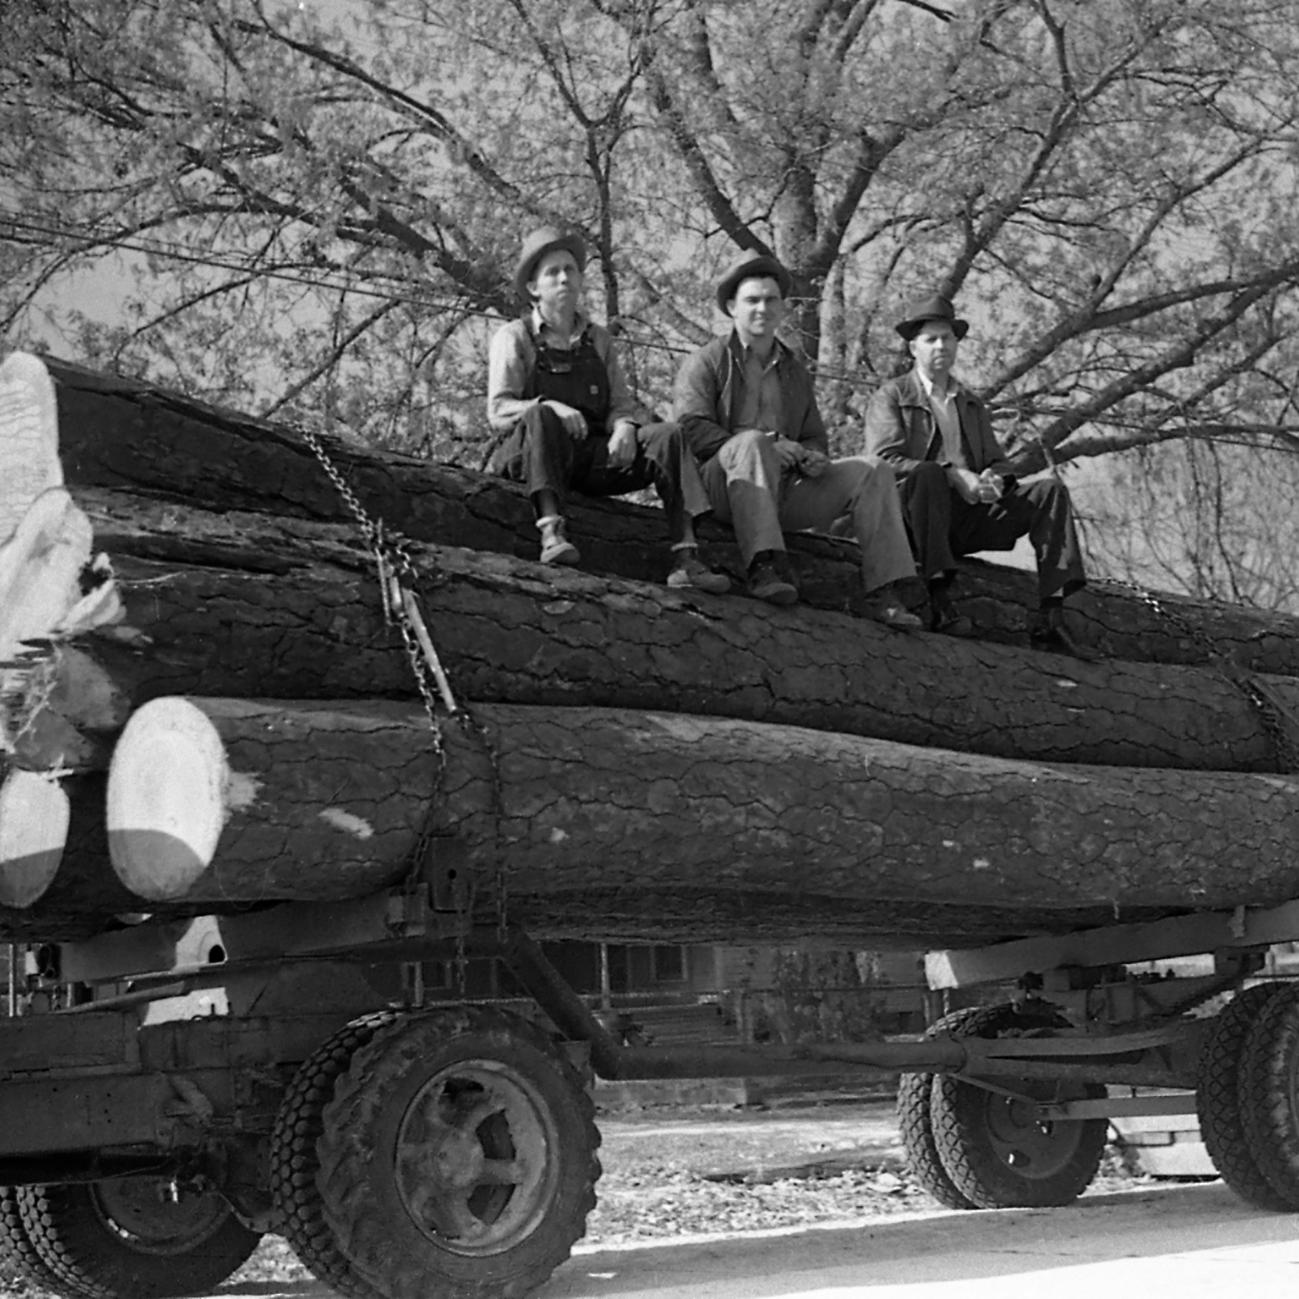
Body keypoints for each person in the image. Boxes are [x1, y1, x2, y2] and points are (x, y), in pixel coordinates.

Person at [672, 251, 921, 625]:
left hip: (786, 491)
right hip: (722, 488)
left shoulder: (795, 372)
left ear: (783, 309)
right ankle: (765, 567)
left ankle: (885, 591)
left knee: (874, 469)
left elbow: (813, 436)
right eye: (752, 300)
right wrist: (768, 442)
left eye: (771, 300)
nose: (762, 308)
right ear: (731, 308)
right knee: (753, 442)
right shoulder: (706, 361)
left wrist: (812, 456)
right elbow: (691, 430)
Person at [487, 226, 728, 593]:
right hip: (533, 456)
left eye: (570, 269)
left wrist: (624, 426)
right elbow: (499, 410)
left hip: (592, 456)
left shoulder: (599, 339)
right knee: (541, 416)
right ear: (534, 287)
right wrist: (549, 406)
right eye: (553, 272)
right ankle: (551, 531)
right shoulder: (514, 336)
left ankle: (687, 557)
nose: (564, 278)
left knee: (668, 435)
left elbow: (620, 403)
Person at [863, 294, 1089, 655]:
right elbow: (881, 462)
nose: (941, 345)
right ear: (913, 348)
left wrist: (994, 481)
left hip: (966, 518)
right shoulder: (892, 395)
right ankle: (939, 600)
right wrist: (952, 473)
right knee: (928, 475)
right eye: (931, 339)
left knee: (1049, 491)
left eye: (948, 338)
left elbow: (998, 461)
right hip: (913, 518)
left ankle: (1052, 615)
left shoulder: (969, 402)